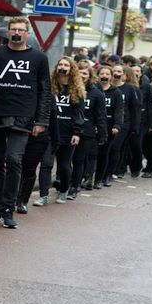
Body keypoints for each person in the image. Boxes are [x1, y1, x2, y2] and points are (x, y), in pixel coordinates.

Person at [0, 17, 50, 229]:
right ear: (7, 33)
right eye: (13, 29)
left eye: (21, 30)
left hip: (23, 116)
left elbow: (45, 90)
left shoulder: (39, 58)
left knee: (14, 159)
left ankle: (10, 208)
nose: (17, 32)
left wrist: (42, 120)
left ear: (27, 34)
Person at [51, 57, 85, 203]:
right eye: (60, 64)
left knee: (64, 164)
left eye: (66, 65)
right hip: (50, 131)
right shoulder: (50, 86)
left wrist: (77, 132)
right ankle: (43, 194)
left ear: (71, 70)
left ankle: (64, 191)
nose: (63, 67)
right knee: (46, 164)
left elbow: (79, 114)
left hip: (67, 132)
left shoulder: (76, 90)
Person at [17, 94, 58, 209]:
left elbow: (53, 118)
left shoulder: (48, 96)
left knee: (30, 168)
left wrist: (55, 140)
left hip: (39, 136)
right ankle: (12, 198)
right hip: (18, 131)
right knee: (14, 164)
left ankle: (22, 201)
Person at [71, 63, 107, 194]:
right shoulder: (70, 89)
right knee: (67, 159)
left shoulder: (97, 94)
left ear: (90, 76)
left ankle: (75, 186)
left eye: (85, 73)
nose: (82, 75)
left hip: (87, 131)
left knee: (79, 159)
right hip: (69, 129)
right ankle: (64, 182)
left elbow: (100, 115)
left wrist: (103, 134)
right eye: (79, 72)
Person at [93, 66, 124, 188]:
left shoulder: (116, 92)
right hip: (93, 126)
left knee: (104, 153)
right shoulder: (94, 90)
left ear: (111, 76)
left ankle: (101, 178)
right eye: (102, 73)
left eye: (107, 74)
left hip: (108, 127)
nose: (104, 76)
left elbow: (119, 110)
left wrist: (117, 125)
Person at [111, 65, 140, 183]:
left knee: (116, 147)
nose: (116, 73)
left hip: (124, 123)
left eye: (119, 71)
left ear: (124, 74)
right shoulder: (107, 87)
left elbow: (135, 108)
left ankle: (114, 170)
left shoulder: (129, 88)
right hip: (108, 122)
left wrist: (135, 126)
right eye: (114, 71)